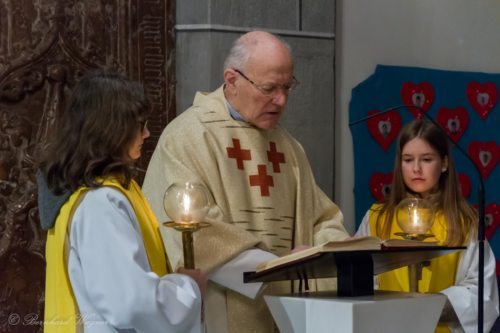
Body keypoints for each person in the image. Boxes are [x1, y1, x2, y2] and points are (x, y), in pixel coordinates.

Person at [142, 31, 350, 332]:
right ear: (232, 79)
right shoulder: (187, 138)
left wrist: (323, 255)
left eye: (287, 87)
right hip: (220, 309)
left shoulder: (288, 147)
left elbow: (321, 219)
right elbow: (193, 231)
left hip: (287, 311)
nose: (281, 100)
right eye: (269, 88)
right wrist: (276, 269)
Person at [37, 69, 205, 333]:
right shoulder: (100, 204)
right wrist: (187, 291)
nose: (147, 133)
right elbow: (131, 303)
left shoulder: (92, 193)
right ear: (112, 129)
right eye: (140, 125)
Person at [355, 119, 499, 333]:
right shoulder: (378, 218)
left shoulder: (463, 223)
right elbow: (359, 279)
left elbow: (482, 292)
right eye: (408, 159)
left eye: (427, 159)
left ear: (444, 164)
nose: (416, 169)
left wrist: (433, 306)